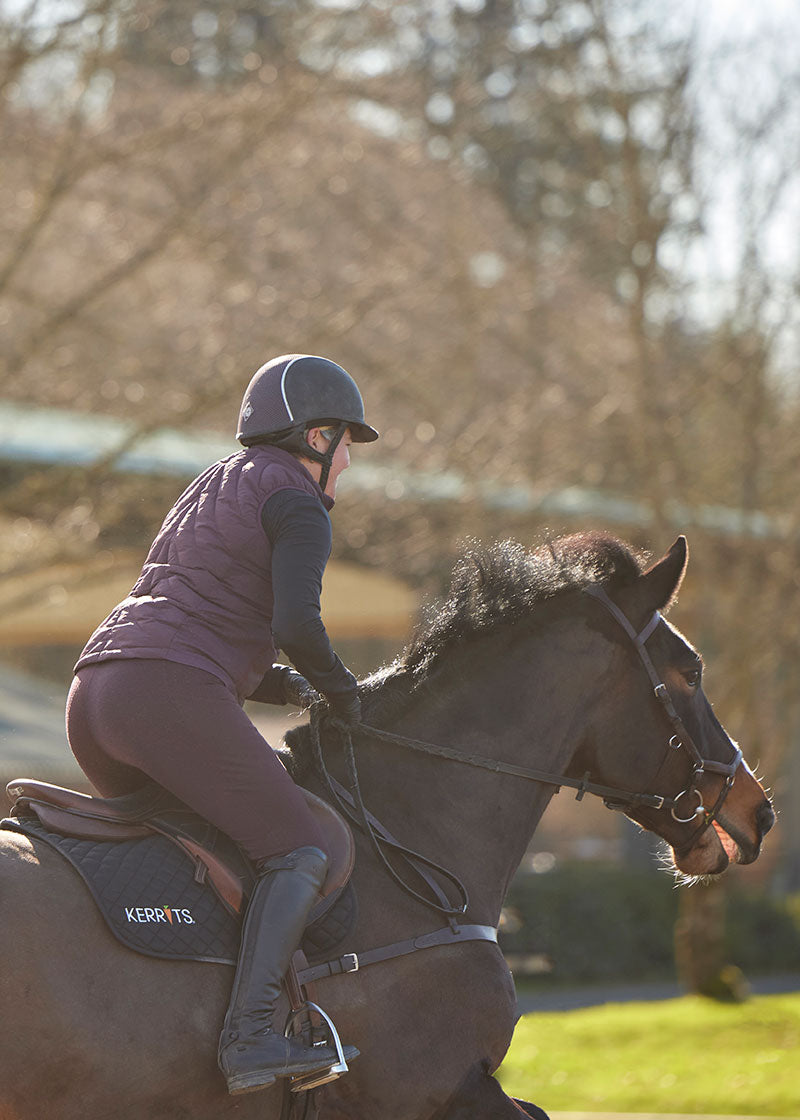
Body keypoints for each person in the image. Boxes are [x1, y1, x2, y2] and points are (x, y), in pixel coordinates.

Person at [65, 353, 378, 1095]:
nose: (345, 469)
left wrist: (294, 687)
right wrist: (344, 692)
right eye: (346, 449)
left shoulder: (211, 487)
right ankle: (252, 1039)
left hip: (97, 693)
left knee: (210, 852)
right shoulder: (296, 502)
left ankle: (173, 1011)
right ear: (319, 437)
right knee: (297, 849)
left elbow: (207, 626)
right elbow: (297, 623)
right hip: (166, 695)